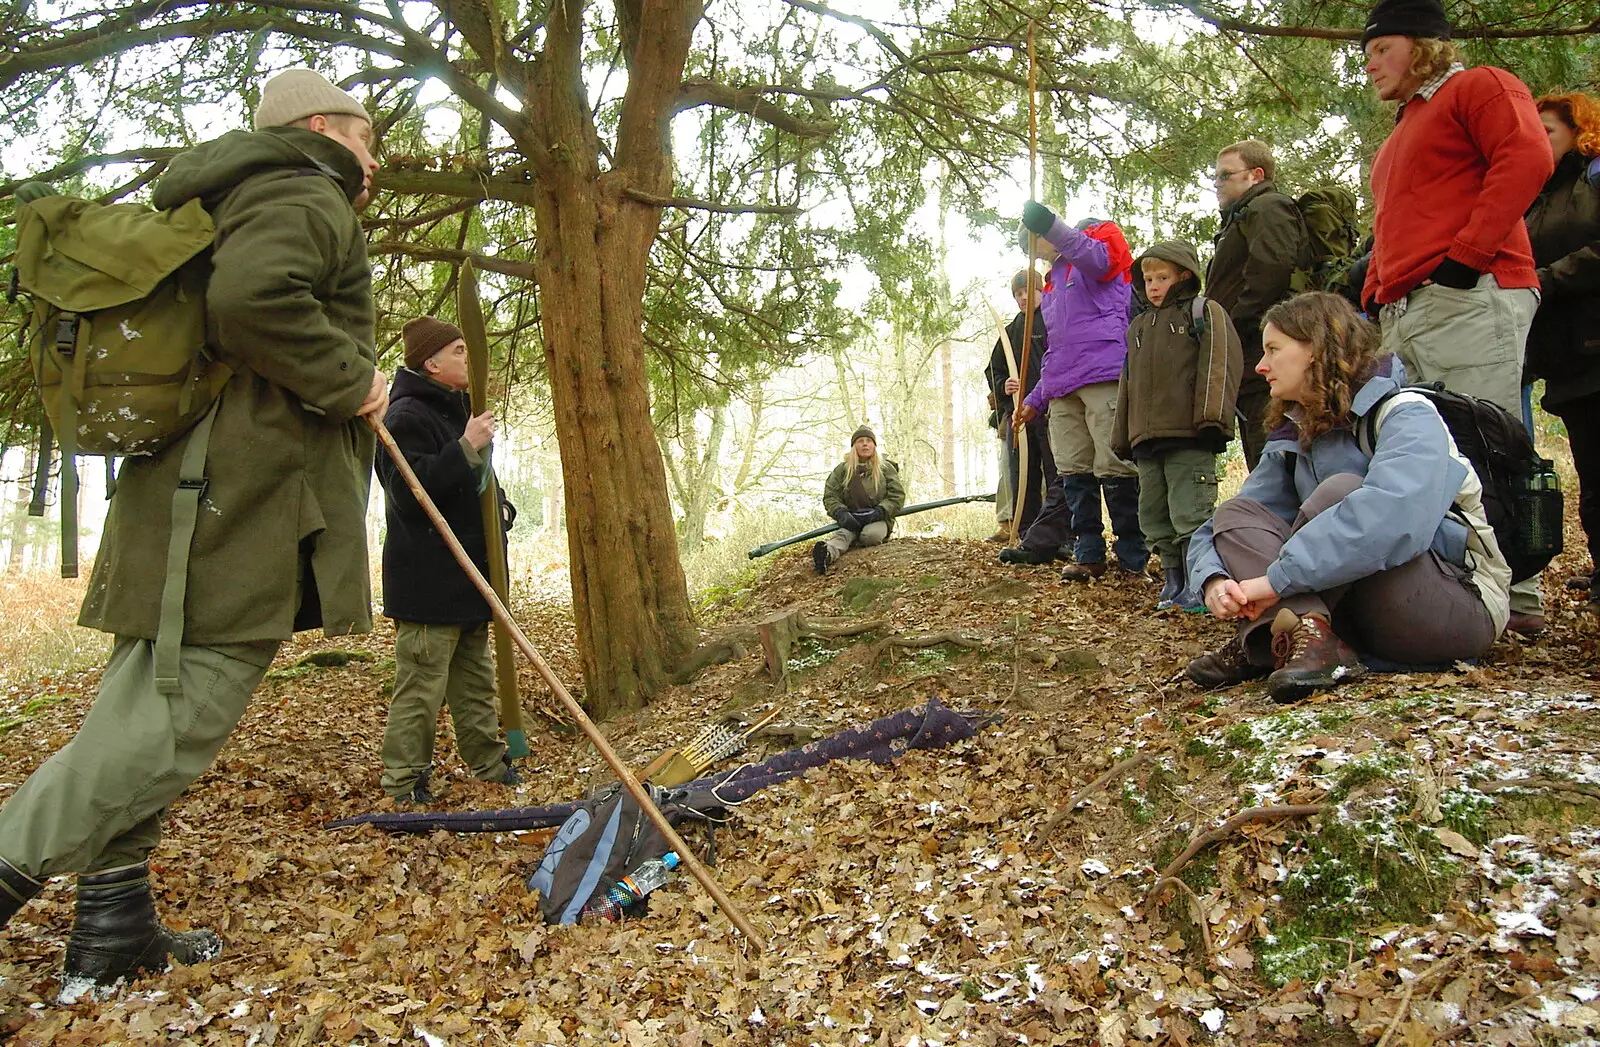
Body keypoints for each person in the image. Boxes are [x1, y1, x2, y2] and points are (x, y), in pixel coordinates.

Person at [0, 70, 383, 996]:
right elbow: (252, 300)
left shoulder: (239, 191)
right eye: (368, 139)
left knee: (142, 715)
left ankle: (112, 923)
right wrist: (348, 378)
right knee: (168, 726)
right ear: (326, 129)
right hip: (234, 514)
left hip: (195, 505)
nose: (373, 160)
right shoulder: (305, 187)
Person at [1185, 293, 1510, 703]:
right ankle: (1298, 635)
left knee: (1342, 491)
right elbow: (1224, 526)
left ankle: (1272, 637)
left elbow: (1394, 518)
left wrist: (1274, 582)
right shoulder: (1292, 440)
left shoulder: (1406, 413)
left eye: (1273, 350)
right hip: (1357, 609)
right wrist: (1214, 579)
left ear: (1317, 350)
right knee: (1236, 511)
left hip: (1451, 606)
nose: (1260, 366)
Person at [1359, 0, 1551, 635]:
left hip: (1470, 293)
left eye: (1379, 49)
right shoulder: (1397, 138)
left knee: (1483, 443)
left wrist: (1465, 259)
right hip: (1407, 307)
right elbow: (1397, 221)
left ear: (1422, 44)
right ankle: (1460, 590)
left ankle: (1515, 600)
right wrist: (1375, 286)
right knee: (1421, 449)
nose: (1370, 66)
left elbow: (1527, 158)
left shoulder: (1480, 85)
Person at [377, 318, 522, 806]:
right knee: (420, 688)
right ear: (431, 363)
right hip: (428, 585)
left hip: (467, 582)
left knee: (475, 682)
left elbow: (467, 491)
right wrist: (465, 447)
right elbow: (407, 492)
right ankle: (403, 782)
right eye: (459, 350)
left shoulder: (452, 412)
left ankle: (488, 763)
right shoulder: (404, 416)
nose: (469, 357)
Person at [1002, 203, 1147, 582]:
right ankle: (1088, 551)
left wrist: (1049, 224)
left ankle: (1132, 554)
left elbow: (1100, 260)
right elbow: (1056, 350)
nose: (1037, 255)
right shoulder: (1051, 287)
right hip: (1064, 385)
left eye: (1035, 246)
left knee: (1115, 464)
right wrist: (1034, 400)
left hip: (1104, 372)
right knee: (1073, 468)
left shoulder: (1100, 237)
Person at [1112, 242, 1243, 610]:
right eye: (1148, 279)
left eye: (1162, 278)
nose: (1153, 286)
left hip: (1190, 434)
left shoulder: (1203, 312)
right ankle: (1172, 581)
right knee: (1154, 514)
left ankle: (1198, 582)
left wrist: (1212, 417)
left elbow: (1219, 363)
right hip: (1147, 439)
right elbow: (1128, 382)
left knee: (1191, 511)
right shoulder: (1138, 326)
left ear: (1184, 276)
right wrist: (1123, 436)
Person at [1523, 91, 1600, 605]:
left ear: (1579, 131)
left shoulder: (1594, 179)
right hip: (1566, 353)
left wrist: (1545, 278)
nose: (1537, 140)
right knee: (1591, 466)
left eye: (1547, 130)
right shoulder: (1536, 191)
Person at [1204, 140, 1308, 470]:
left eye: (1225, 175)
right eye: (1216, 176)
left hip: (1265, 353)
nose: (1217, 184)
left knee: (1275, 452)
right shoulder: (1242, 217)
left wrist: (1231, 326)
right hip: (1250, 358)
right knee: (1261, 449)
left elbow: (1271, 273)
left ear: (1256, 175)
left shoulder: (1268, 208)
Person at [985, 268, 1053, 538]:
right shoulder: (1012, 330)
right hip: (1019, 417)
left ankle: (1061, 534)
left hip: (1050, 410)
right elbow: (994, 369)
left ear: (1041, 290)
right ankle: (1026, 533)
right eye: (1019, 294)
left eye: (1029, 291)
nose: (1024, 298)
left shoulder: (1053, 318)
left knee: (1056, 474)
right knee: (1023, 475)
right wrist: (1004, 385)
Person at [814, 427, 906, 574]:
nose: (865, 444)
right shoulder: (842, 470)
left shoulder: (886, 468)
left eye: (869, 441)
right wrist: (841, 513)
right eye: (860, 441)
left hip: (878, 518)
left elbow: (897, 495)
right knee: (841, 536)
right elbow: (830, 496)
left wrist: (880, 511)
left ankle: (857, 539)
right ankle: (826, 556)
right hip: (852, 519)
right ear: (854, 446)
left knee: (871, 536)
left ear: (874, 445)